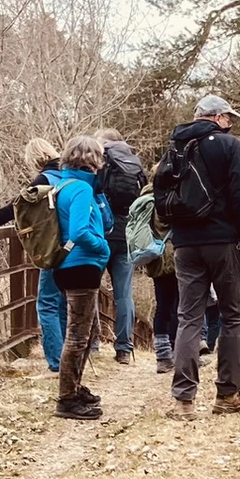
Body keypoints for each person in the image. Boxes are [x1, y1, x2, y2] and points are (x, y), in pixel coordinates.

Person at [158, 93, 240, 417]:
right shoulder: (230, 146)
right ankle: (227, 395)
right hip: (224, 241)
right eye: (228, 118)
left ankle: (183, 399)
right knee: (233, 314)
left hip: (185, 243)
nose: (230, 124)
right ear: (217, 117)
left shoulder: (175, 146)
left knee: (189, 316)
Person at [0, 137, 66, 373]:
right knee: (65, 302)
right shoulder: (69, 174)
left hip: (52, 247)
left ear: (35, 159)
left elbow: (15, 208)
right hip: (75, 247)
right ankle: (72, 356)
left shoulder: (45, 179)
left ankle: (58, 363)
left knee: (47, 303)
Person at [31, 135, 113, 418]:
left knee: (87, 331)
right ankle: (66, 398)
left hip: (70, 266)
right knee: (79, 336)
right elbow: (79, 232)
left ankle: (74, 389)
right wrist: (103, 247)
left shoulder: (64, 183)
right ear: (92, 159)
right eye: (101, 157)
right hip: (81, 265)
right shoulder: (79, 188)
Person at [95, 128, 148, 365]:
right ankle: (124, 349)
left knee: (91, 290)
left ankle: (92, 344)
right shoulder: (135, 164)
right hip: (126, 235)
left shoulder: (100, 160)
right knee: (123, 294)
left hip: (101, 233)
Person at [126, 185, 176, 374]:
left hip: (156, 259)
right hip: (173, 257)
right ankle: (176, 352)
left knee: (162, 306)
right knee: (178, 306)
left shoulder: (145, 199)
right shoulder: (167, 199)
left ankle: (162, 356)